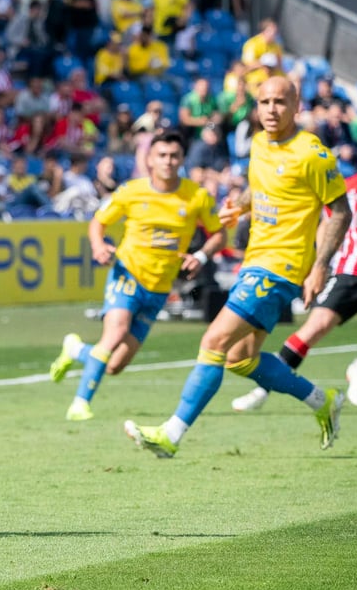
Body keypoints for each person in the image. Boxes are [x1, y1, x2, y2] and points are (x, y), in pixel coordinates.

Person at [124, 76, 352, 458]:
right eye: (265, 102)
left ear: (297, 106)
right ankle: (322, 400)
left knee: (213, 341)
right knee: (239, 358)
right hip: (255, 259)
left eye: (280, 102)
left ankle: (170, 435)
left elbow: (340, 211)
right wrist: (241, 206)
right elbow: (259, 186)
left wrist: (320, 265)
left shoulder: (312, 153)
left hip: (280, 267)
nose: (271, 109)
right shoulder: (260, 143)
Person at [48, 131, 226, 421]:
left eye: (174, 156)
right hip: (127, 274)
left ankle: (76, 349)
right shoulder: (131, 191)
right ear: (150, 159)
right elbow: (98, 222)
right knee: (115, 333)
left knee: (114, 365)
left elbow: (219, 234)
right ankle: (80, 404)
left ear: (182, 159)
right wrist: (98, 246)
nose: (168, 161)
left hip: (159, 288)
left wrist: (201, 256)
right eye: (162, 155)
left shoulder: (197, 196)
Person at [231, 165, 357, 411]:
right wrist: (320, 265)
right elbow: (328, 223)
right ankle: (263, 389)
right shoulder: (349, 188)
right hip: (351, 271)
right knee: (315, 327)